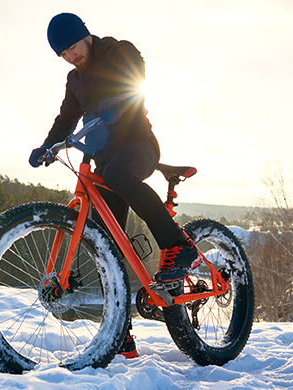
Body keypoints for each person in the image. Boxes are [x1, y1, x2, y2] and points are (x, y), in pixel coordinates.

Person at [29, 13, 200, 358]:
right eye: (62, 54)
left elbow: (136, 76)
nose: (70, 57)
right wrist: (48, 145)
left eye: (72, 48)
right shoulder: (74, 80)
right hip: (105, 160)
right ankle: (120, 326)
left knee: (119, 176)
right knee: (106, 242)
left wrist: (120, 100)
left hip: (138, 144)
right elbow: (66, 118)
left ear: (84, 36)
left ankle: (180, 246)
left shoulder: (119, 51)